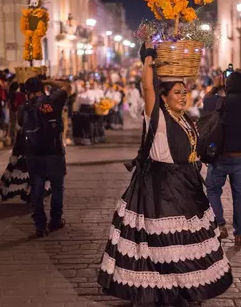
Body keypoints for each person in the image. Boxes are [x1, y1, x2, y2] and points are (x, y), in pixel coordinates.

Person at [98, 42, 233, 307]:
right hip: (162, 187)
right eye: (177, 92)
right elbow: (147, 87)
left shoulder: (185, 118)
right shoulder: (156, 116)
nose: (183, 96)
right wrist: (148, 57)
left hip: (187, 185)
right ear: (163, 96)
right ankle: (165, 290)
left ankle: (187, 289)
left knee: (187, 240)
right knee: (164, 242)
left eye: (185, 91)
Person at [203, 71, 241, 246]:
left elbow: (205, 99)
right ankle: (240, 234)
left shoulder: (218, 101)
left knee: (213, 191)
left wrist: (217, 85)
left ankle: (220, 225)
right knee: (240, 196)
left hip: (220, 157)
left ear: (227, 87)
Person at [20, 77, 71, 237]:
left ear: (27, 92)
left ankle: (40, 225)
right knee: (57, 188)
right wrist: (49, 81)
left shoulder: (24, 108)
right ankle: (55, 220)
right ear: (42, 88)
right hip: (54, 152)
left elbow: (21, 125)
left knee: (37, 189)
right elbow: (67, 86)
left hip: (34, 154)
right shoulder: (53, 100)